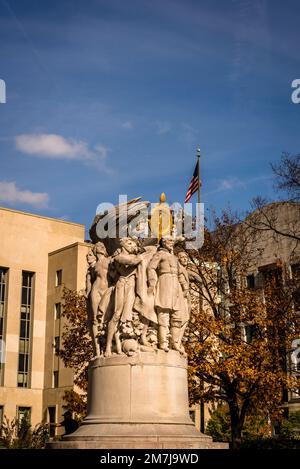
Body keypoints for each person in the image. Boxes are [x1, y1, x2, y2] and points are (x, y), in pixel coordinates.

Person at [147, 236, 188, 352]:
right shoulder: (160, 254)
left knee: (177, 316)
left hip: (176, 286)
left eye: (172, 241)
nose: (171, 243)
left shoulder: (175, 258)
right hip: (164, 281)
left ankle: (175, 343)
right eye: (169, 241)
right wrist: (152, 282)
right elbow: (151, 268)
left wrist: (184, 285)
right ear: (163, 243)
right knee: (164, 313)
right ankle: (163, 342)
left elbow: (180, 273)